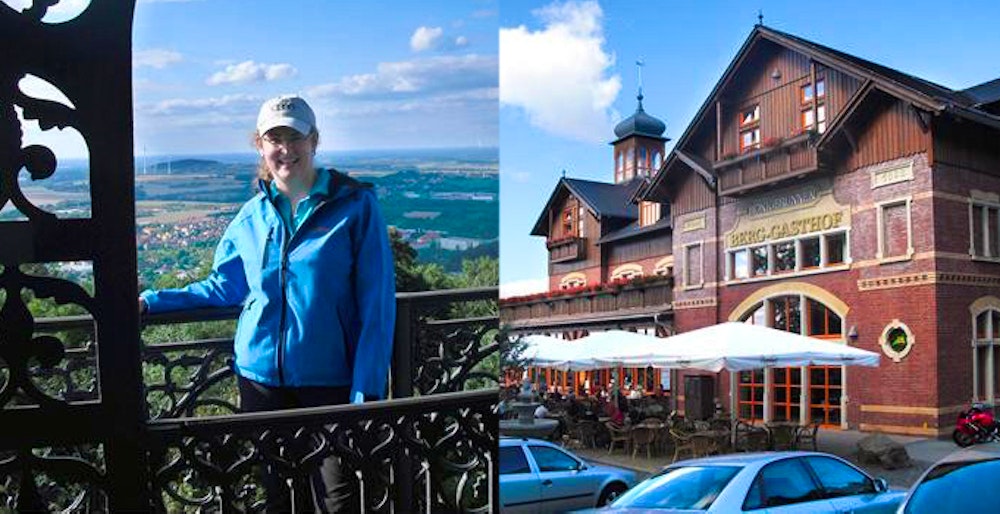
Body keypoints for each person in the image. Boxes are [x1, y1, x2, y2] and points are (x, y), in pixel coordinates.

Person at [139, 94, 396, 512]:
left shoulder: (355, 206)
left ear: (314, 140)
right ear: (259, 145)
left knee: (337, 498)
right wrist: (152, 301)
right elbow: (223, 287)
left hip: (329, 383)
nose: (285, 149)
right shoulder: (250, 216)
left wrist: (366, 390)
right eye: (274, 138)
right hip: (259, 380)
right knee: (279, 496)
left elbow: (377, 306)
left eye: (294, 137)